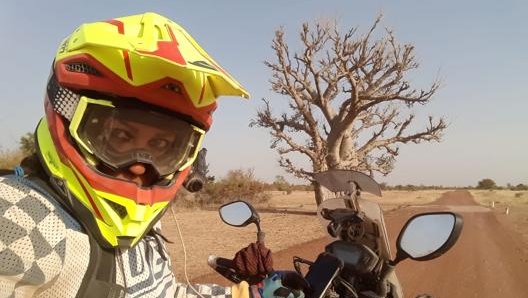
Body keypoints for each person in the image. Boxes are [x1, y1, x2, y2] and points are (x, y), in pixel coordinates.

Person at [0, 12, 304, 298]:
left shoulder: (143, 226)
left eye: (161, 146)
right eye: (119, 136)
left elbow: (161, 292)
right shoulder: (20, 217)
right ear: (67, 114)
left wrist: (247, 294)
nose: (139, 167)